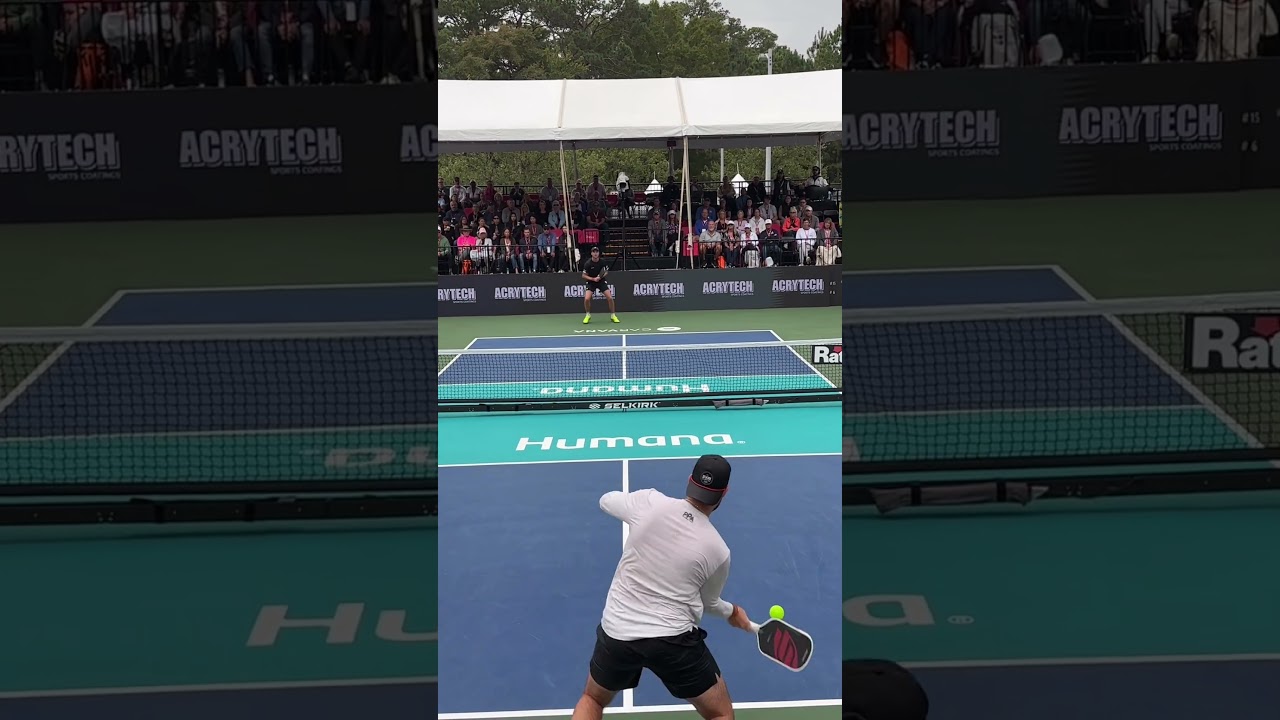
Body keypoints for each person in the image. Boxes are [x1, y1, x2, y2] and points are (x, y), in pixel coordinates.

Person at [571, 455, 752, 720]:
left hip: (618, 632)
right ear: (724, 493)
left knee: (592, 699)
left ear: (690, 481)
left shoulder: (650, 502)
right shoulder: (719, 551)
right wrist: (732, 612)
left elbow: (606, 500)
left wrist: (638, 510)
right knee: (720, 714)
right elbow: (709, 604)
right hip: (673, 641)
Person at [580, 245, 619, 324]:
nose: (595, 253)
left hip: (601, 281)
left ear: (598, 253)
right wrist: (593, 279)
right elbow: (583, 275)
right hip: (591, 282)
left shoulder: (602, 262)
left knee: (610, 298)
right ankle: (588, 315)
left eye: (596, 252)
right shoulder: (588, 264)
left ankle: (613, 315)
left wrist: (600, 277)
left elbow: (606, 272)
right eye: (593, 252)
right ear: (591, 253)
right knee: (587, 299)